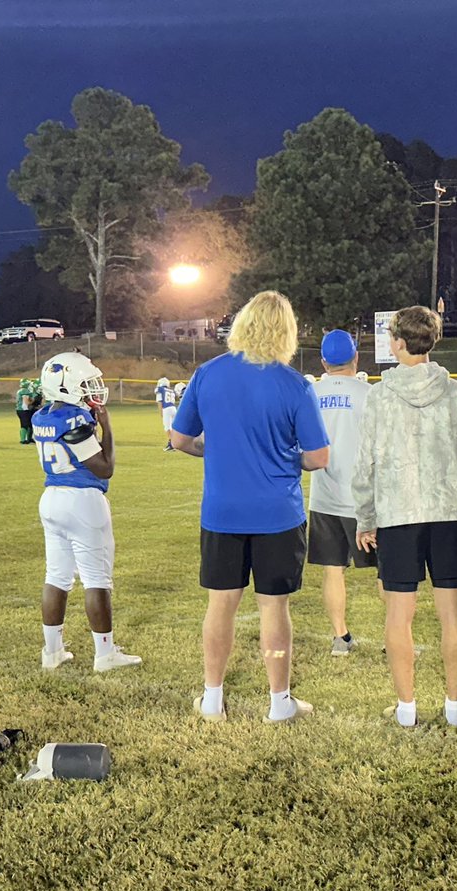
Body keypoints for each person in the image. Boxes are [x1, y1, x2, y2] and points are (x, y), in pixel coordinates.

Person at [171, 291, 330, 725]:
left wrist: (216, 449)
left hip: (222, 511)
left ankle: (211, 699)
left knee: (219, 604)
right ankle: (279, 703)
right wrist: (282, 456)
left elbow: (180, 439)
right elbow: (318, 458)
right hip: (277, 513)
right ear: (287, 332)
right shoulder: (294, 384)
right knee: (274, 608)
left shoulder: (208, 374)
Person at [353, 306, 457, 729]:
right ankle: (454, 707)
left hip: (397, 515)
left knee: (398, 615)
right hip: (448, 515)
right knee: (453, 615)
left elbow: (365, 464)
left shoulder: (379, 395)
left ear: (397, 343)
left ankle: (407, 708)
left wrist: (365, 517)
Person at [33, 352, 141, 673]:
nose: (92, 389)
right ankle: (105, 654)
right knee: (96, 579)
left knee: (57, 576)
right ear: (65, 387)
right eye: (85, 384)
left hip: (51, 497)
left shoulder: (43, 416)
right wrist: (107, 428)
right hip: (82, 501)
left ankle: (52, 652)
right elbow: (103, 468)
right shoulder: (75, 420)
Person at [307, 329, 375, 656]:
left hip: (323, 494)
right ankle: (395, 636)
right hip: (364, 499)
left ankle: (340, 637)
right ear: (356, 358)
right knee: (386, 569)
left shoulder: (310, 393)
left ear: (323, 361)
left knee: (333, 568)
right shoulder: (368, 393)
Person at [155, 376, 177, 451]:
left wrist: (161, 413)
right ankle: (175, 443)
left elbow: (160, 402)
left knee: (167, 427)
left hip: (166, 409)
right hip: (174, 408)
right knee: (173, 427)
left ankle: (172, 444)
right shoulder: (171, 390)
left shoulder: (160, 390)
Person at [16, 378, 39, 445]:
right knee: (24, 425)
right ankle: (23, 440)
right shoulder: (25, 391)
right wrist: (33, 401)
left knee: (29, 425)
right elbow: (26, 402)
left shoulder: (21, 390)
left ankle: (29, 439)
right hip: (23, 410)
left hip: (22, 410)